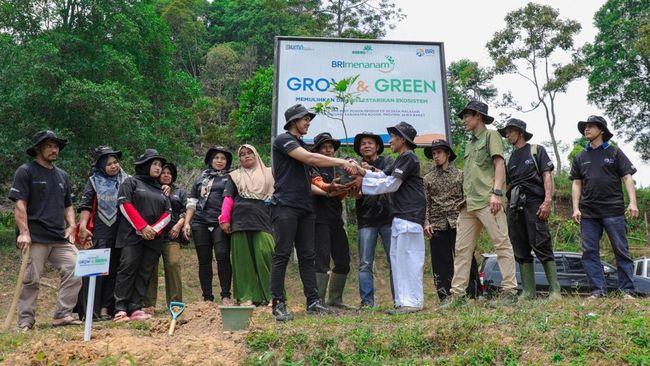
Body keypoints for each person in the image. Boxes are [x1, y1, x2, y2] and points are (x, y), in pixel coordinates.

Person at [269, 103, 358, 322]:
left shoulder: (301, 146)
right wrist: (341, 161)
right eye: (305, 119)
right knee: (282, 254)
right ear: (293, 122)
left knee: (308, 256)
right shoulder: (284, 141)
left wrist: (328, 190)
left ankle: (313, 301)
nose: (308, 122)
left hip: (305, 207)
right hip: (286, 206)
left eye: (309, 119)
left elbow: (307, 184)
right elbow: (310, 159)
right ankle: (278, 304)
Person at [442, 101, 518, 308]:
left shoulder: (491, 135)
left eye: (467, 116)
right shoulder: (469, 143)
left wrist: (497, 192)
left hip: (488, 200)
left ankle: (510, 291)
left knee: (501, 243)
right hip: (468, 204)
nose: (464, 120)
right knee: (462, 249)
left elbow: (499, 163)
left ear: (478, 116)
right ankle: (457, 295)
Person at [9, 130, 85, 331]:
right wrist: (24, 232)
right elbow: (20, 205)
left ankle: (63, 315)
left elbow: (68, 206)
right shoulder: (26, 171)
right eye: (49, 146)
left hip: (59, 237)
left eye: (56, 146)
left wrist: (71, 226)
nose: (54, 150)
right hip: (35, 237)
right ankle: (26, 321)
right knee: (31, 279)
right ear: (38, 149)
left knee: (76, 267)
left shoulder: (62, 175)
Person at [353, 121, 426, 314]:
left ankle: (412, 302)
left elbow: (391, 184)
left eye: (393, 137)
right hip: (400, 217)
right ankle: (404, 302)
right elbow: (382, 176)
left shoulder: (409, 157)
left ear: (402, 139)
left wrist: (363, 184)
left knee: (408, 260)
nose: (390, 141)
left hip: (410, 216)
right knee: (398, 260)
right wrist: (362, 172)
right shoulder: (402, 158)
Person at [570, 115, 638, 299]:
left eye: (591, 126)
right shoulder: (580, 156)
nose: (586, 129)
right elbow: (577, 183)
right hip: (589, 213)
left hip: (613, 210)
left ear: (601, 130)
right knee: (589, 252)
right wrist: (576, 208)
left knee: (620, 250)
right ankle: (598, 291)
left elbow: (627, 177)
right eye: (585, 127)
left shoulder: (615, 152)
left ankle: (627, 291)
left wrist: (633, 202)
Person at [499, 119, 561, 300]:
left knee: (541, 242)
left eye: (510, 131)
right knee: (519, 246)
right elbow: (507, 186)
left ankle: (555, 290)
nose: (507, 135)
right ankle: (528, 291)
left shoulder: (536, 150)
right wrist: (505, 205)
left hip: (535, 202)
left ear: (520, 132)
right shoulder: (508, 159)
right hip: (514, 205)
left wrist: (547, 200)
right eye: (506, 132)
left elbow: (546, 175)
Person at [113, 149, 171, 321]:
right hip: (131, 235)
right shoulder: (130, 183)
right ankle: (120, 308)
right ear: (145, 165)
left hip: (154, 238)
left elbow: (168, 213)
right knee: (127, 268)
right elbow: (125, 204)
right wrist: (142, 227)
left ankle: (135, 307)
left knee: (145, 272)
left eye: (160, 165)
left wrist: (153, 230)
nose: (158, 168)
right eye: (155, 164)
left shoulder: (161, 189)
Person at [423, 139, 481, 301]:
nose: (436, 156)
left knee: (466, 256)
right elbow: (425, 202)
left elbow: (467, 198)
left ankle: (474, 293)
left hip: (459, 221)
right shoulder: (428, 179)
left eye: (439, 152)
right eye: (434, 153)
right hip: (437, 224)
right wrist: (426, 222)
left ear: (447, 154)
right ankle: (446, 296)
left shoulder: (460, 175)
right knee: (441, 262)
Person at [75, 145, 128, 321]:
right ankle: (91, 310)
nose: (114, 166)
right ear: (100, 166)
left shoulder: (127, 180)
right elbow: (86, 205)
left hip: (121, 231)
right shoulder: (93, 181)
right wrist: (83, 226)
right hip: (100, 230)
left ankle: (107, 308)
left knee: (114, 270)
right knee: (96, 272)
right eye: (109, 163)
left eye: (116, 162)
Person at [219, 144, 275, 306]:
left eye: (250, 152)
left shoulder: (270, 174)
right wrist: (224, 219)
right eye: (242, 154)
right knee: (242, 260)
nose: (246, 156)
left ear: (256, 154)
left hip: (263, 218)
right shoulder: (235, 175)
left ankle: (273, 295)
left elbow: (279, 194)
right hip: (240, 219)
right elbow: (228, 197)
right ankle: (246, 297)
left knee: (266, 253)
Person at [182, 146, 234, 305]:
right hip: (200, 222)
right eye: (216, 158)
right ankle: (207, 297)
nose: (220, 161)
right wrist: (186, 223)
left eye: (223, 158)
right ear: (210, 160)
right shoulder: (200, 179)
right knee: (204, 260)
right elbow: (192, 203)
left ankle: (226, 295)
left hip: (220, 223)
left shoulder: (232, 178)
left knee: (222, 256)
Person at [310, 132, 353, 309]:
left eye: (330, 147)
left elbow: (343, 193)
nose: (328, 150)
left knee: (343, 260)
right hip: (318, 219)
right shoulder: (312, 166)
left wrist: (350, 184)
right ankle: (318, 301)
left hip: (336, 219)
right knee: (321, 261)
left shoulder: (339, 168)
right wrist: (330, 187)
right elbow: (316, 183)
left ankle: (335, 299)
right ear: (318, 150)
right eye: (324, 147)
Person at [353, 131, 395, 307]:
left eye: (370, 143)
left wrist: (367, 170)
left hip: (388, 218)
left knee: (394, 260)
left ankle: (399, 300)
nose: (366, 146)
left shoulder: (387, 161)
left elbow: (390, 178)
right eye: (363, 144)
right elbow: (355, 194)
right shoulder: (354, 166)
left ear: (377, 146)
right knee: (364, 263)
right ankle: (367, 302)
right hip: (366, 219)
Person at [142, 162, 185, 314]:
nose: (166, 175)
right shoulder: (149, 187)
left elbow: (186, 210)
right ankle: (148, 304)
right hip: (153, 234)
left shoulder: (179, 191)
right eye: (163, 173)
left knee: (173, 264)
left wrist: (179, 224)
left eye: (169, 173)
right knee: (151, 267)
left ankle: (175, 304)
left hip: (171, 234)